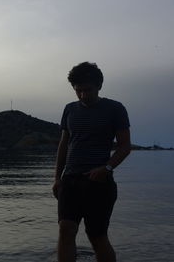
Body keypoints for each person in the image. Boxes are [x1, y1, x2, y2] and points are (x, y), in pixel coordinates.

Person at [53, 62, 131, 262]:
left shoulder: (115, 109)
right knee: (66, 229)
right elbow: (64, 144)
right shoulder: (69, 109)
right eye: (78, 91)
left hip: (99, 183)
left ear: (99, 86)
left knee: (96, 236)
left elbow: (124, 146)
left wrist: (106, 168)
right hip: (70, 180)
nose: (82, 95)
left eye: (87, 90)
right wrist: (57, 178)